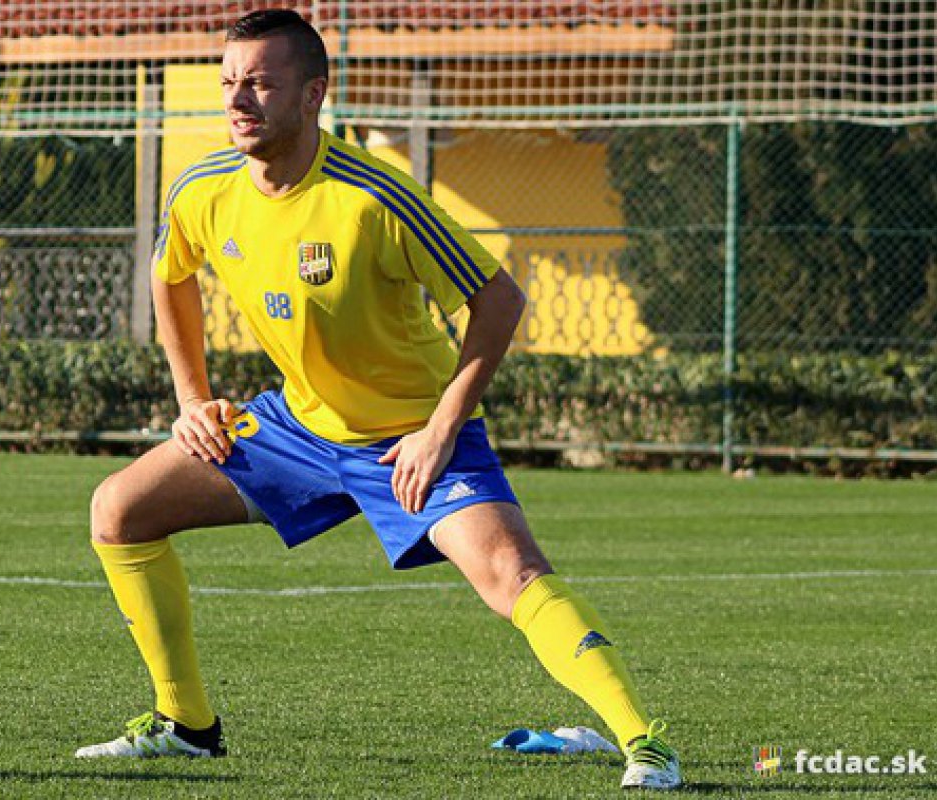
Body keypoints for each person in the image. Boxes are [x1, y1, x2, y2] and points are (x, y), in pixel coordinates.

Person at [76, 8, 681, 791]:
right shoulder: (203, 188)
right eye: (229, 82)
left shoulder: (375, 197)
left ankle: (646, 744)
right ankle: (186, 726)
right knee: (120, 510)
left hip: (411, 436)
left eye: (261, 83)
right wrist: (192, 399)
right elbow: (170, 275)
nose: (239, 100)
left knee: (512, 573)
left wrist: (440, 430)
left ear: (313, 95)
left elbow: (499, 301)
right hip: (298, 428)